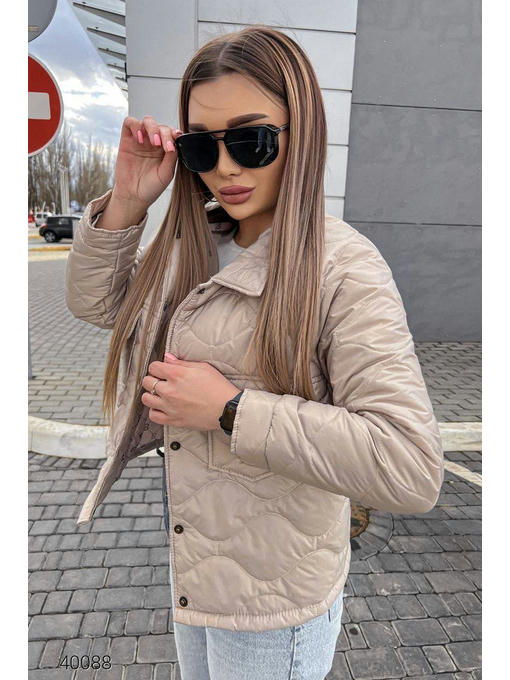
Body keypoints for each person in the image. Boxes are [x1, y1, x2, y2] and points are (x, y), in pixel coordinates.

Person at [65, 25, 444, 680]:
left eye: (251, 140)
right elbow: (97, 307)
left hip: (277, 604)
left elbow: (409, 465)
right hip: (197, 572)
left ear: (303, 134)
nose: (225, 167)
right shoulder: (196, 242)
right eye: (201, 145)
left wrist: (232, 410)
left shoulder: (344, 267)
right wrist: (127, 201)